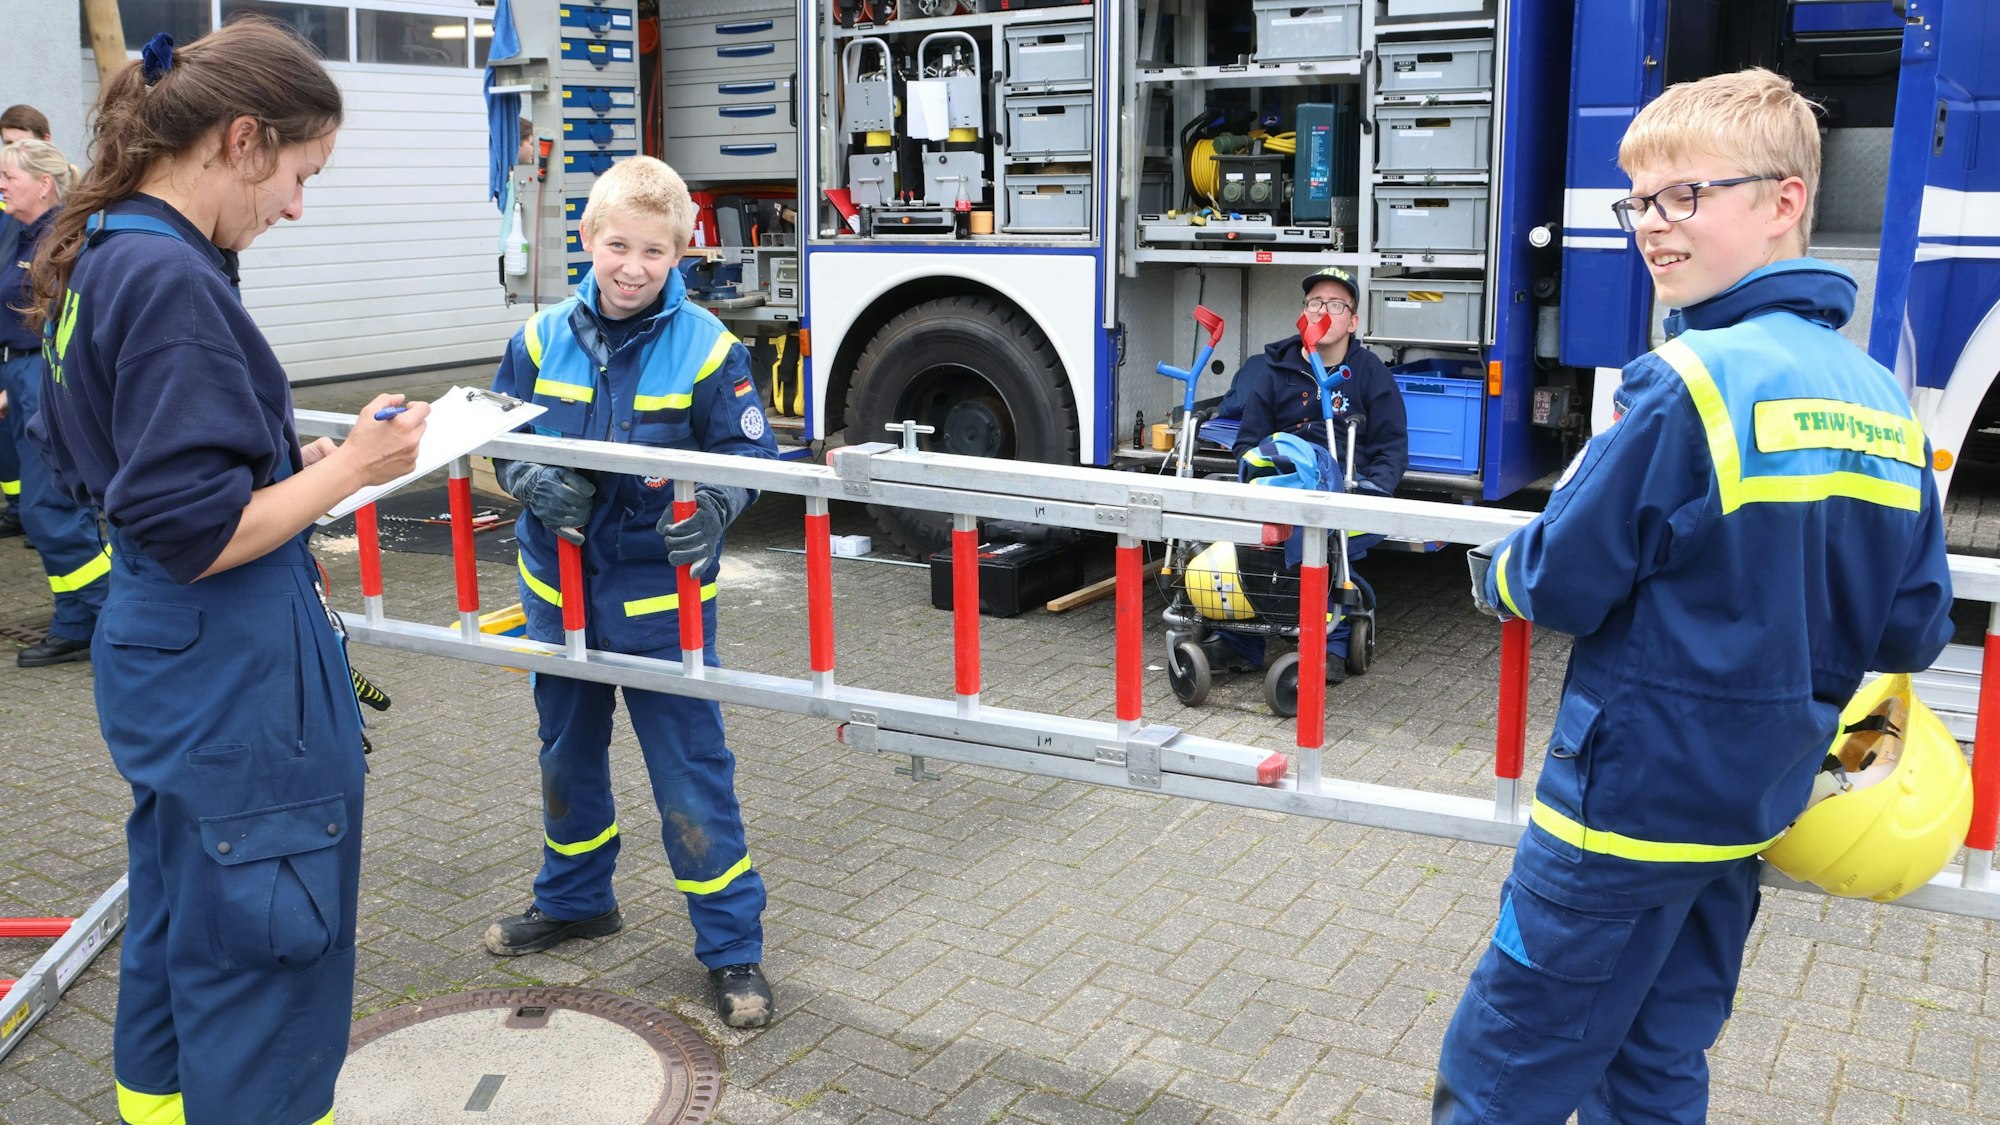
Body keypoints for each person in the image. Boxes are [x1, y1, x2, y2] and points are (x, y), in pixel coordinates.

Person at [1435, 68, 1953, 1124]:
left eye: (1683, 197)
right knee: (1656, 1066)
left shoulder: (1688, 383)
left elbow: (1560, 579)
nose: (1648, 228)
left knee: (1504, 1071)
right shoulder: (1882, 405)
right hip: (1745, 810)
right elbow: (1915, 623)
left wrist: (1489, 572)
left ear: (1781, 202)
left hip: (1621, 815)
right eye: (1636, 202)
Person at [24, 22, 428, 1125]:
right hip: (232, 667)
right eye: (299, 175)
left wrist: (282, 467)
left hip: (166, 651)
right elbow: (198, 530)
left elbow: (123, 464)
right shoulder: (171, 282)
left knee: (183, 913)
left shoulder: (105, 245)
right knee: (269, 948)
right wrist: (354, 464)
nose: (295, 206)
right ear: (241, 140)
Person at [484, 155, 781, 1030]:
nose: (633, 266)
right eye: (618, 244)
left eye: (655, 251)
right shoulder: (539, 338)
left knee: (692, 779)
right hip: (559, 592)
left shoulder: (711, 348)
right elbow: (497, 431)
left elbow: (749, 456)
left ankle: (732, 950)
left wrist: (720, 503)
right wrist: (530, 475)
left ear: (682, 254)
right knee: (565, 757)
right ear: (587, 240)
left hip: (664, 610)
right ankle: (576, 901)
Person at [1212, 264, 1408, 676]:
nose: (1323, 311)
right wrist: (1263, 472)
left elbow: (1392, 446)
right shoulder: (1276, 369)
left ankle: (1330, 645)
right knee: (1236, 533)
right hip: (1283, 482)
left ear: (1353, 321)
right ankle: (1238, 642)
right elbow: (1247, 442)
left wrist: (1377, 493)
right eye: (1315, 302)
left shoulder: (1370, 372)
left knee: (1316, 538)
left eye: (1335, 304)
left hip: (1351, 489)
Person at [0, 139, 108, 666]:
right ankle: (80, 618)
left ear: (43, 184)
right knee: (45, 509)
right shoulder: (14, 230)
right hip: (17, 373)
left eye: (8, 176)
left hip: (42, 372)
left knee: (51, 507)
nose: (0, 185)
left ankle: (106, 611)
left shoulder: (65, 237)